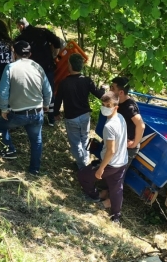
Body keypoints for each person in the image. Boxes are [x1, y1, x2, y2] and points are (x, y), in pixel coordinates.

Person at [0, 40, 51, 176]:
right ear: (30, 53)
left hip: (18, 113)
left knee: (0, 124)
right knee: (36, 140)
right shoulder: (37, 67)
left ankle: (10, 150)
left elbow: (2, 91)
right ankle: (34, 169)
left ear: (14, 53)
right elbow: (48, 90)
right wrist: (46, 105)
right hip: (37, 112)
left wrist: (3, 108)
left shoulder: (10, 67)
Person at [77, 92, 128, 224]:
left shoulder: (109, 126)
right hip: (122, 161)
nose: (105, 107)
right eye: (103, 104)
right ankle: (116, 216)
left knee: (83, 176)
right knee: (116, 189)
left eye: (108, 105)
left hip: (110, 163)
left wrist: (101, 168)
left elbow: (110, 150)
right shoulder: (121, 118)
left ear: (116, 106)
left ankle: (94, 196)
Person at [53, 53, 105, 169]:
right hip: (85, 116)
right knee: (85, 139)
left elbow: (58, 100)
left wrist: (56, 113)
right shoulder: (87, 81)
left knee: (75, 143)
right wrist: (103, 89)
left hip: (72, 117)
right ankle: (84, 161)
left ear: (70, 65)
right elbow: (99, 94)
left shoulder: (64, 83)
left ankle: (83, 166)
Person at [15, 18, 62, 126]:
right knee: (49, 92)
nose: (18, 29)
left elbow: (14, 49)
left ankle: (34, 118)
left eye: (18, 27)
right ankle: (51, 119)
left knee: (33, 93)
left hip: (32, 70)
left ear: (21, 26)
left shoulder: (21, 37)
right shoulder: (43, 31)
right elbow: (57, 41)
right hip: (48, 66)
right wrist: (54, 55)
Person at [110, 77, 145, 165]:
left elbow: (141, 125)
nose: (110, 90)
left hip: (127, 147)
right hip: (118, 140)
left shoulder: (130, 107)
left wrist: (134, 144)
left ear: (121, 92)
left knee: (118, 174)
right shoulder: (118, 100)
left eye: (112, 88)